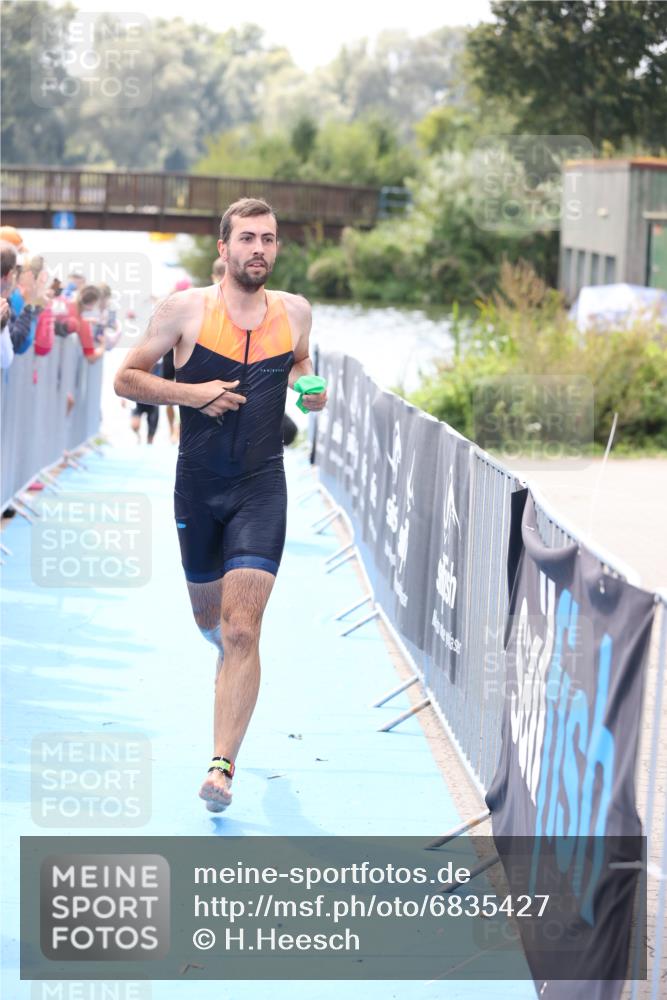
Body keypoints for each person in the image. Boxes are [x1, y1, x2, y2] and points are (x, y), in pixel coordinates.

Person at [114, 197, 327, 813]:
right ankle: (228, 656)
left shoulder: (296, 312)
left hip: (262, 487)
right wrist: (193, 393)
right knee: (212, 624)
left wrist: (306, 384)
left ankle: (221, 765)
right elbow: (127, 378)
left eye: (269, 239)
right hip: (198, 490)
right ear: (224, 249)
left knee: (243, 628)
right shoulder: (184, 311)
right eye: (247, 239)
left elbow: (300, 360)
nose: (259, 249)